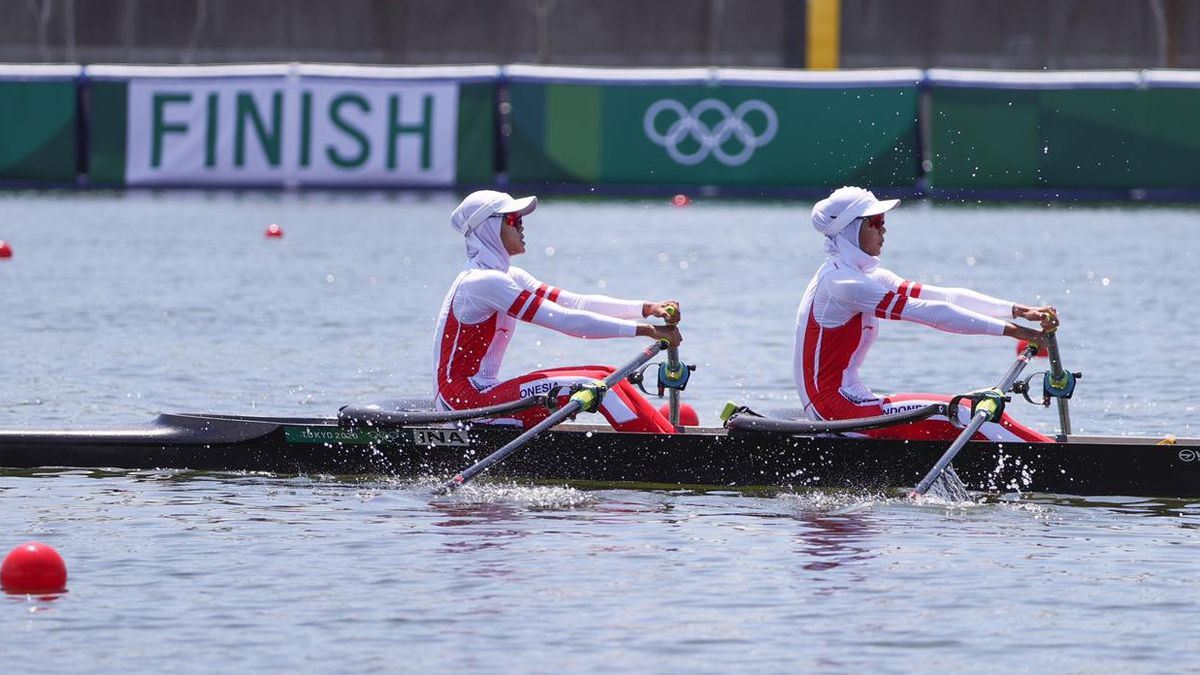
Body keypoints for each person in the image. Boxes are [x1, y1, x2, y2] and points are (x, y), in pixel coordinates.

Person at [794, 186, 1058, 442]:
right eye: (875, 221)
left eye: (882, 220)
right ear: (850, 229)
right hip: (834, 412)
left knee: (968, 415)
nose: (884, 228)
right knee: (964, 411)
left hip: (853, 401)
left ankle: (1039, 451)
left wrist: (1020, 311)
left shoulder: (867, 275)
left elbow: (946, 297)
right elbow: (931, 313)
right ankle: (1051, 460)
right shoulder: (842, 284)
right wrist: (1015, 331)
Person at [433, 190, 682, 433]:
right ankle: (669, 460)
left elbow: (575, 304)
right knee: (598, 387)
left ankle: (667, 437)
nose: (522, 227)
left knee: (608, 375)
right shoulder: (482, 282)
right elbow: (565, 321)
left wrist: (647, 308)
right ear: (488, 228)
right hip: (463, 405)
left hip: (485, 394)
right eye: (513, 219)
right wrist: (647, 330)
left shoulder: (510, 277)